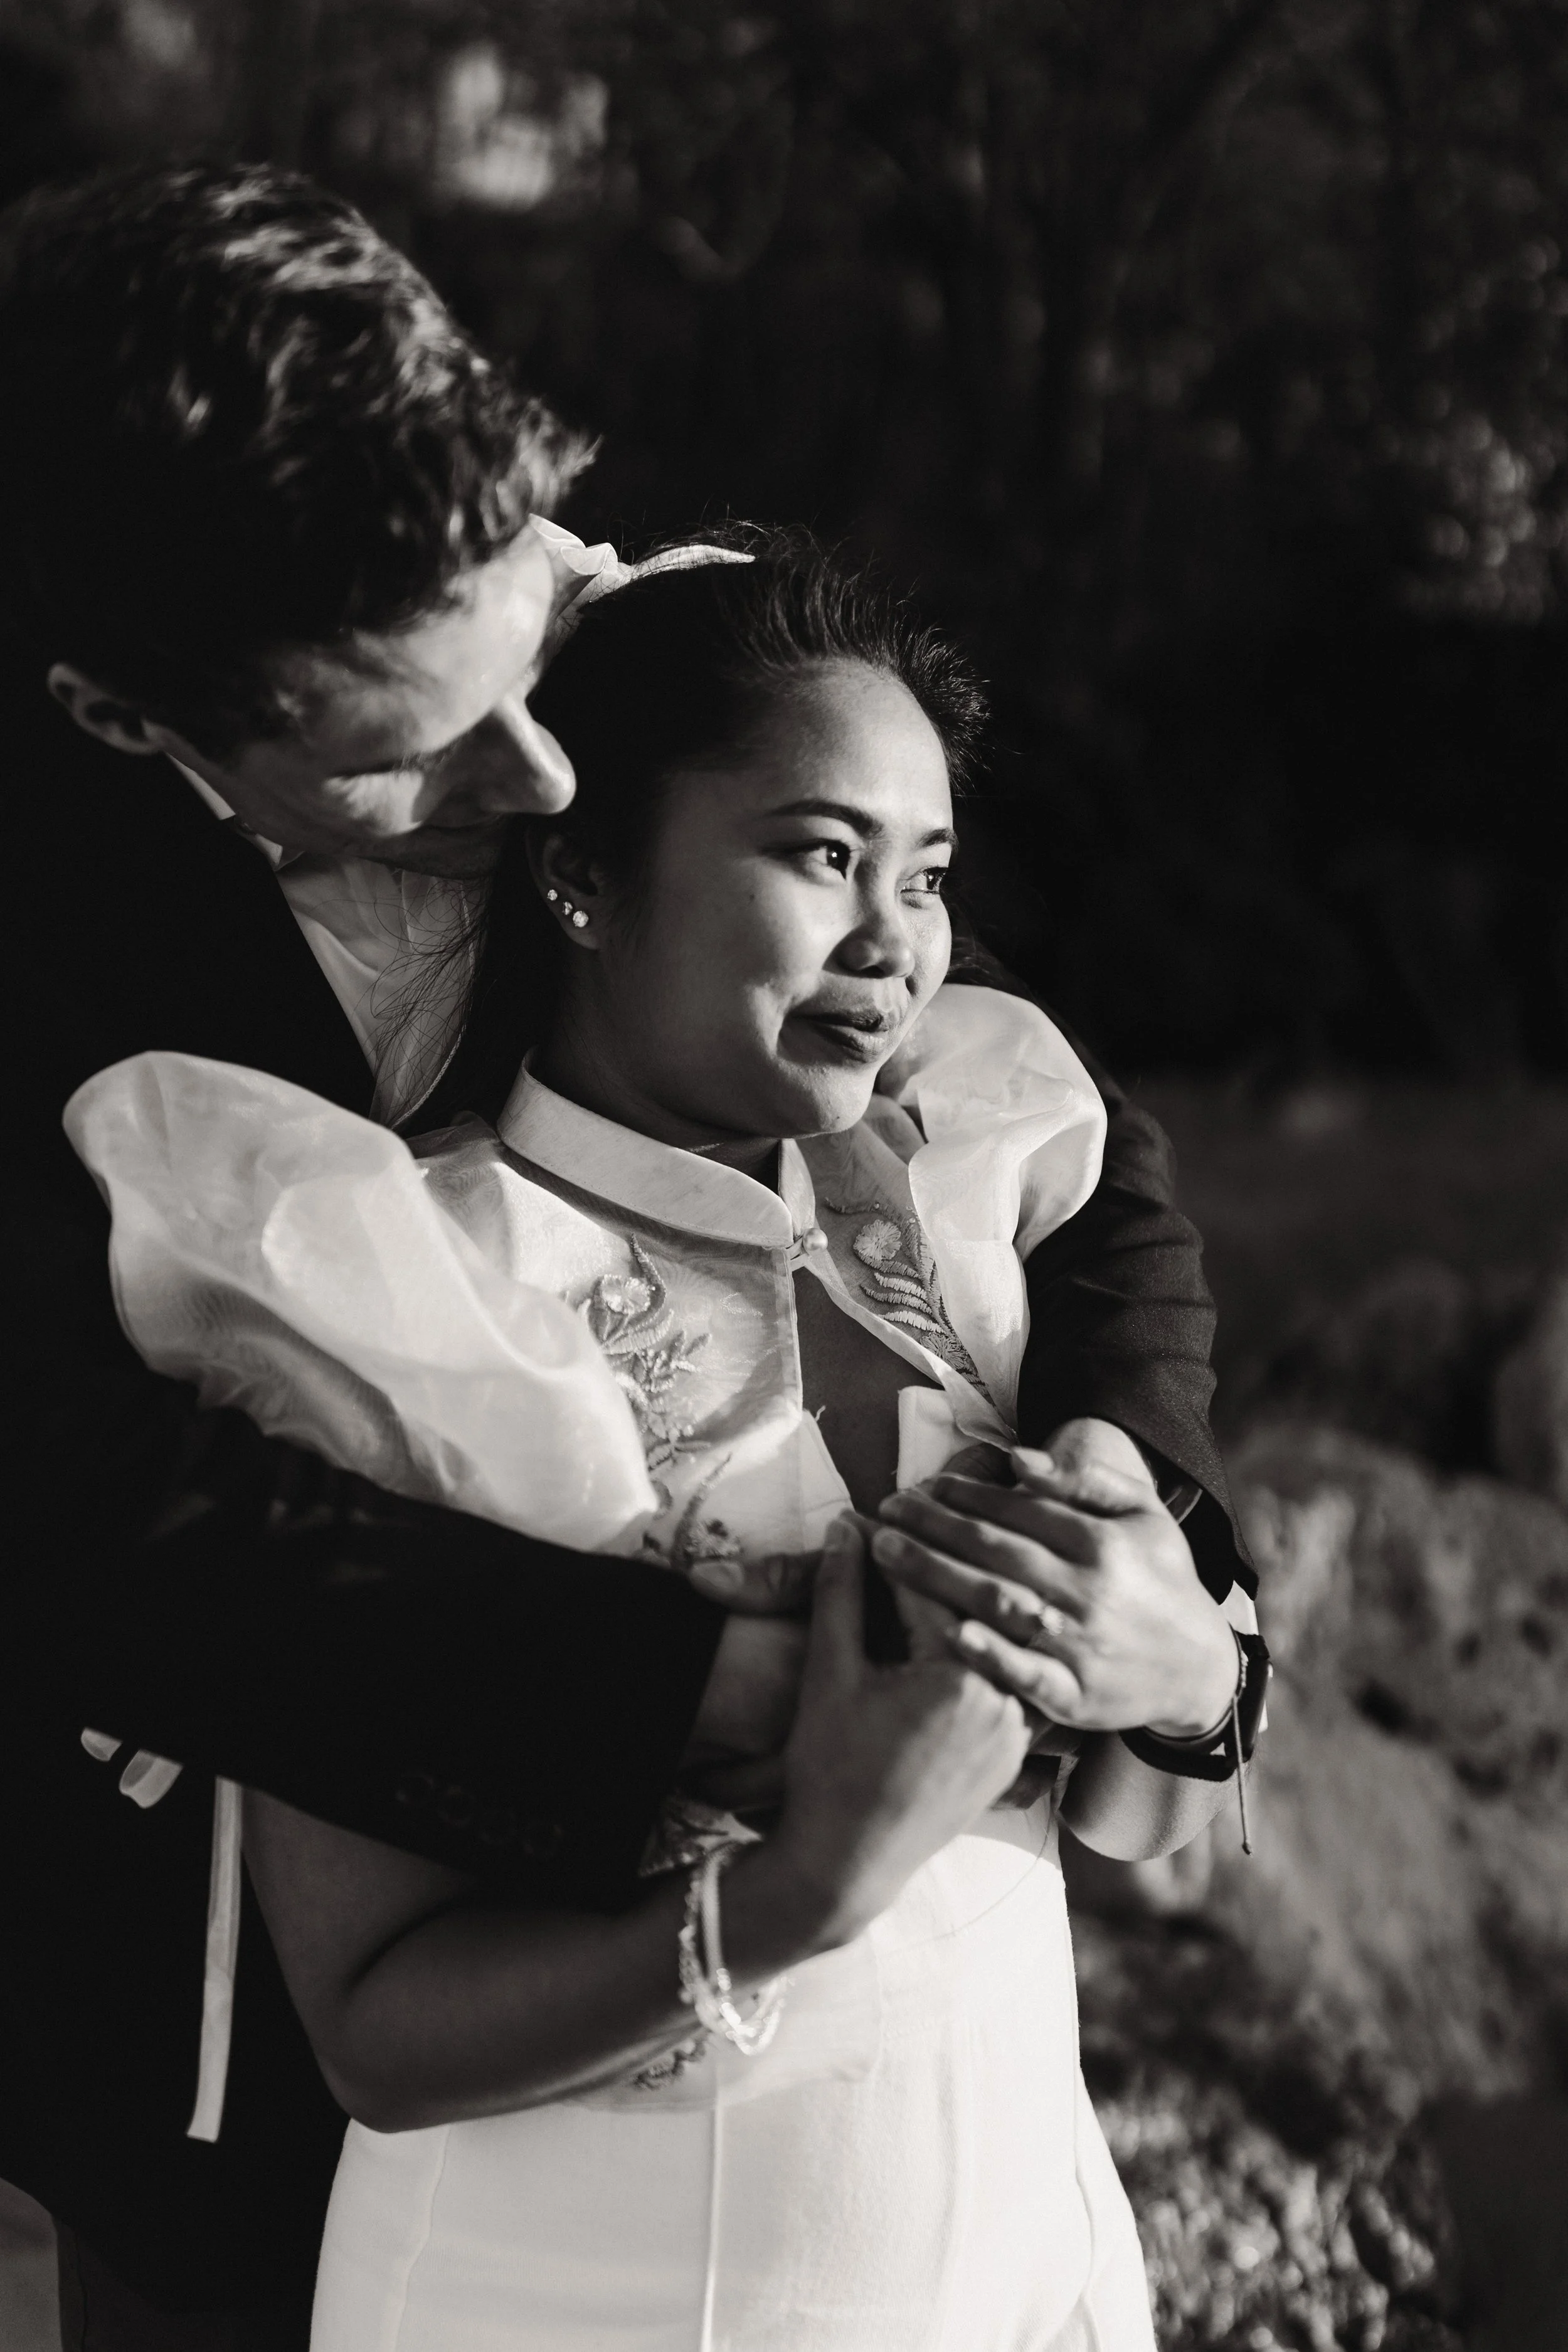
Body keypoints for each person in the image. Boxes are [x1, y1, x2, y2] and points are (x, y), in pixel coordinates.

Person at [0, 159, 1248, 2346]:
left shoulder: (629, 657)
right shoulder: (53, 923)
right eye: (414, 747)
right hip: (229, 2007)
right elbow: (104, 1517)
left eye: (527, 655)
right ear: (125, 715)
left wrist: (1142, 1545)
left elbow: (1035, 1118)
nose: (540, 771)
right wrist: (745, 1713)